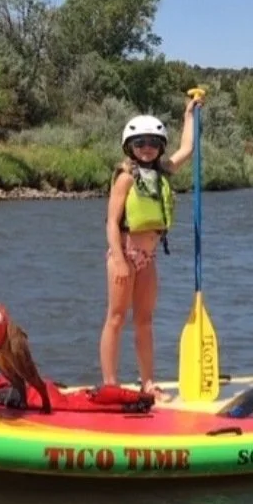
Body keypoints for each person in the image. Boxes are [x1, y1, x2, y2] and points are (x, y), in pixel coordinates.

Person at [99, 94, 203, 400]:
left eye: (153, 143)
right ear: (129, 146)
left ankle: (147, 383)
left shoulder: (162, 172)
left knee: (144, 321)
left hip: (149, 257)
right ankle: (110, 385)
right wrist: (118, 260)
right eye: (141, 142)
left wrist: (190, 114)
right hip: (125, 253)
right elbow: (111, 223)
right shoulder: (125, 179)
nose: (147, 148)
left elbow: (188, 148)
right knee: (116, 318)